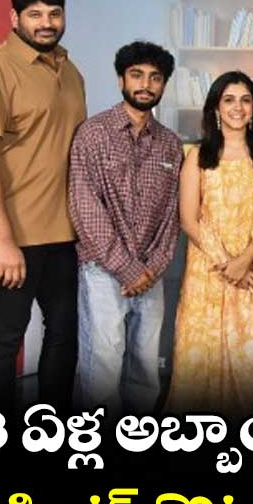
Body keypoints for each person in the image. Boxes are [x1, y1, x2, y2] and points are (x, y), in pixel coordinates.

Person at [0, 0, 87, 420]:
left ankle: (51, 428)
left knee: (64, 334)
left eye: (54, 14)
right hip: (11, 234)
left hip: (63, 233)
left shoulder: (70, 71)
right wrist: (3, 240)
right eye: (34, 14)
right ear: (14, 17)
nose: (46, 23)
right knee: (4, 338)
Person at [166, 71, 253, 417]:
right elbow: (189, 219)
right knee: (202, 367)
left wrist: (245, 260)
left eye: (245, 100)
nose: (237, 108)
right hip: (208, 273)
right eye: (228, 100)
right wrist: (227, 262)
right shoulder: (197, 156)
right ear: (215, 108)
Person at [68, 41, 182, 416]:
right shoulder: (92, 133)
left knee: (146, 370)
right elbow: (85, 207)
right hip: (103, 270)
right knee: (102, 365)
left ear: (163, 84)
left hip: (151, 274)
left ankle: (138, 437)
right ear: (121, 80)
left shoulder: (170, 144)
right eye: (137, 75)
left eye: (155, 77)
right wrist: (127, 268)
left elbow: (171, 215)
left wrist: (152, 267)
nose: (145, 84)